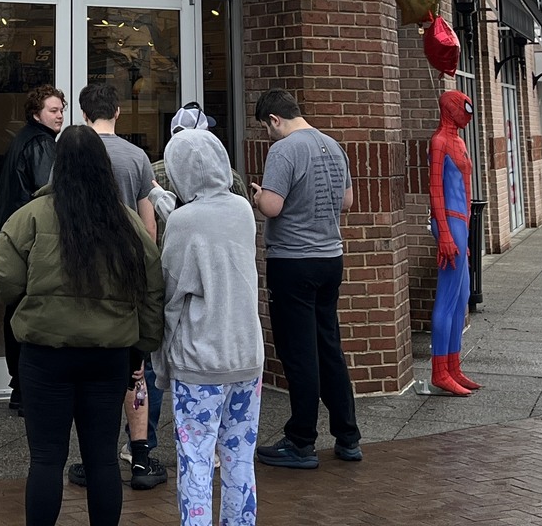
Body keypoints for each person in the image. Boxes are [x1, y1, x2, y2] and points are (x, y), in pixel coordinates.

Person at [0, 124, 165, 526]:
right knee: (102, 459)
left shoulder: (29, 217)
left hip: (45, 354)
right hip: (108, 356)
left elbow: (4, 282)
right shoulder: (127, 223)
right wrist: (142, 346)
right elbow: (152, 287)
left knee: (47, 460)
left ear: (58, 165)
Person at [249, 89, 361, 469]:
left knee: (299, 354)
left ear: (274, 119)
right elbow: (347, 202)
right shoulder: (333, 144)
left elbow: (273, 207)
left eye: (266, 128)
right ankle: (348, 436)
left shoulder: (284, 150)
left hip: (293, 261)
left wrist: (258, 196)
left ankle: (301, 440)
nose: (268, 135)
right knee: (329, 345)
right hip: (331, 257)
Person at [160, 128, 262, 526]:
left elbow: (171, 295)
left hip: (199, 359)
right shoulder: (242, 210)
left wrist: (161, 362)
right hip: (246, 354)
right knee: (240, 460)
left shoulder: (183, 222)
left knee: (196, 460)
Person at [75, 82, 162, 490]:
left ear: (83, 113)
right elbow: (149, 225)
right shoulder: (137, 157)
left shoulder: (72, 153)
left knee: (91, 369)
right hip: (127, 273)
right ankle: (141, 457)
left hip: (84, 272)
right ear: (119, 112)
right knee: (134, 368)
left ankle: (95, 456)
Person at [0, 84, 65, 411]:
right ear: (37, 114)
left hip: (15, 237)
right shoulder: (41, 144)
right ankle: (26, 387)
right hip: (31, 241)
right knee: (29, 312)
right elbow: (47, 192)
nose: (60, 114)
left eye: (61, 109)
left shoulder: (24, 139)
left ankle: (19, 386)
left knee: (15, 310)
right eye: (53, 110)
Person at [427, 89, 480, 396]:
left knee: (460, 298)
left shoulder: (457, 141)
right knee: (447, 298)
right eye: (464, 107)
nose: (468, 113)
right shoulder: (440, 142)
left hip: (460, 222)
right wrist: (445, 233)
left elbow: (466, 188)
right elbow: (435, 190)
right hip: (449, 219)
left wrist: (464, 233)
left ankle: (453, 366)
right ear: (451, 108)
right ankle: (439, 371)